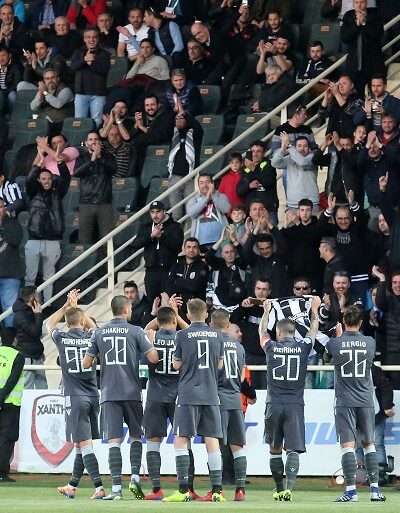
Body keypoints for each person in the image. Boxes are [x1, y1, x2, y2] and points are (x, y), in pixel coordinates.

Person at [82, 295, 158, 500]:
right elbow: (153, 358)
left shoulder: (99, 333)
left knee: (114, 440)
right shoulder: (136, 331)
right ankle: (135, 477)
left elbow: (86, 363)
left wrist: (99, 353)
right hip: (132, 391)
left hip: (109, 392)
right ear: (125, 309)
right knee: (135, 436)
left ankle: (116, 488)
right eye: (130, 308)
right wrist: (150, 343)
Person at [258, 295, 321, 501]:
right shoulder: (303, 347)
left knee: (275, 449)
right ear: (293, 332)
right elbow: (313, 330)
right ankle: (289, 490)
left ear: (278, 332)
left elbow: (262, 332)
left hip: (273, 404)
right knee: (293, 449)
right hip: (294, 404)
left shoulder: (271, 347)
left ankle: (278, 489)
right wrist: (314, 310)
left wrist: (266, 312)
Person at [163, 298, 225, 503]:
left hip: (188, 393)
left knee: (181, 438)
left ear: (188, 315)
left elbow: (176, 365)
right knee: (212, 440)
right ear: (206, 314)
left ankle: (183, 491)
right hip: (210, 394)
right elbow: (220, 365)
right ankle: (217, 491)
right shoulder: (218, 335)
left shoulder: (182, 335)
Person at [47, 290, 105, 499]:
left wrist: (66, 307)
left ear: (67, 322)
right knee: (80, 443)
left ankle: (99, 487)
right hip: (93, 396)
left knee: (84, 444)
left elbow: (49, 324)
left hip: (74, 397)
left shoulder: (61, 338)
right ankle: (72, 486)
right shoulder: (91, 337)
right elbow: (95, 328)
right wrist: (78, 309)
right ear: (82, 321)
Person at [325, 305, 386, 502]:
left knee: (348, 446)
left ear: (344, 321)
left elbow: (327, 357)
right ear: (360, 322)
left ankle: (351, 491)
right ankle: (375, 491)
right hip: (366, 399)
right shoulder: (370, 342)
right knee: (369, 444)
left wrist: (338, 336)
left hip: (344, 401)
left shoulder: (335, 343)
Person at [142, 302, 194, 500]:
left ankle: (156, 489)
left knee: (153, 441)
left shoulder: (150, 336)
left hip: (155, 395)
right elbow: (193, 331)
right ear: (174, 320)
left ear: (158, 321)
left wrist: (158, 318)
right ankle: (187, 489)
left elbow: (146, 328)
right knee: (183, 442)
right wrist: (177, 316)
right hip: (179, 395)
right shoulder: (182, 336)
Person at [207, 309, 247, 502]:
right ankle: (240, 490)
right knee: (237, 446)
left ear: (211, 324)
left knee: (215, 445)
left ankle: (217, 490)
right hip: (235, 398)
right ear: (228, 323)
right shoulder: (239, 347)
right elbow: (242, 377)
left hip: (218, 398)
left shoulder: (212, 342)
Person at [24, 160, 70, 302]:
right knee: (30, 276)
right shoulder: (33, 193)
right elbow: (29, 180)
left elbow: (66, 178)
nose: (46, 181)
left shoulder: (58, 193)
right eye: (43, 179)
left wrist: (60, 163)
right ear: (39, 180)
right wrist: (38, 163)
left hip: (52, 239)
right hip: (34, 238)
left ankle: (47, 304)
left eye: (49, 178)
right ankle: (29, 304)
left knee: (49, 276)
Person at [131, 200, 183, 303]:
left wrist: (161, 237)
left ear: (164, 212)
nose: (155, 215)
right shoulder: (146, 226)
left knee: (171, 303)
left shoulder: (175, 226)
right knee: (153, 303)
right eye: (152, 212)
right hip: (151, 270)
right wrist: (151, 236)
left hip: (169, 270)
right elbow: (135, 244)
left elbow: (177, 247)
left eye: (158, 212)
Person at [73, 131, 115, 243]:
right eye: (90, 139)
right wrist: (92, 160)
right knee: (84, 238)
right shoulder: (81, 158)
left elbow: (113, 170)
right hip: (86, 202)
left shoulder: (108, 156)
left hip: (104, 202)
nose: (93, 142)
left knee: (107, 239)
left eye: (96, 139)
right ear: (86, 143)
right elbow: (76, 173)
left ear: (100, 142)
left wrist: (100, 157)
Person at [231, 278, 272, 389]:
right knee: (249, 388)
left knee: (266, 389)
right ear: (254, 289)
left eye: (264, 289)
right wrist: (242, 308)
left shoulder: (274, 307)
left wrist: (269, 309)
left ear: (269, 291)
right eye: (258, 288)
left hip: (267, 355)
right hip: (248, 354)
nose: (261, 292)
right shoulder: (247, 305)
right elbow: (232, 322)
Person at [340, 0, 385, 95]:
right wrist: (356, 25)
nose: (359, 5)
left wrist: (364, 23)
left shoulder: (375, 14)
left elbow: (378, 34)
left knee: (377, 95)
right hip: (355, 66)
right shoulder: (348, 16)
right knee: (357, 97)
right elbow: (344, 37)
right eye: (356, 2)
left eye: (362, 2)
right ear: (353, 4)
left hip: (373, 64)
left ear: (366, 3)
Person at [70, 27, 111, 127]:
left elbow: (104, 70)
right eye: (88, 37)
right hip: (81, 93)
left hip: (98, 94)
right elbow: (73, 67)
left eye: (94, 37)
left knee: (97, 122)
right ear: (84, 39)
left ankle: (96, 138)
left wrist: (91, 63)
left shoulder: (104, 54)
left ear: (98, 39)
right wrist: (84, 60)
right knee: (80, 122)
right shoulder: (78, 52)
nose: (91, 40)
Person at [281, 199, 323, 293]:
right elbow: (280, 240)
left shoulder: (317, 226)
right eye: (302, 210)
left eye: (307, 210)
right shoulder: (294, 228)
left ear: (311, 211)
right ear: (298, 212)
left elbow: (310, 238)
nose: (305, 213)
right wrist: (285, 225)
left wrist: (297, 223)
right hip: (295, 275)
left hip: (314, 274)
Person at [167, 111, 203, 221]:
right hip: (174, 178)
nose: (178, 120)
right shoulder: (173, 133)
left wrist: (185, 113)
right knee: (176, 214)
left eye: (181, 118)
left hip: (190, 177)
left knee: (191, 213)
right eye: (176, 118)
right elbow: (164, 125)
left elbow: (198, 127)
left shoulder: (194, 134)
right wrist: (174, 112)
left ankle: (190, 233)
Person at [271, 134, 319, 213]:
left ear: (309, 148)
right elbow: (274, 163)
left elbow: (302, 162)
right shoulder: (290, 158)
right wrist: (282, 150)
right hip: (292, 204)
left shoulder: (313, 158)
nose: (302, 149)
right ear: (295, 147)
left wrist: (289, 146)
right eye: (299, 146)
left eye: (305, 146)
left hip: (311, 204)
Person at [0, 327, 24, 483]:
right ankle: (1, 472)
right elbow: (12, 380)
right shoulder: (18, 356)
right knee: (6, 438)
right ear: (15, 339)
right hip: (10, 402)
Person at [12, 286, 47, 389]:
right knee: (28, 388)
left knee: (43, 387)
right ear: (32, 298)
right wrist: (38, 315)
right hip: (27, 356)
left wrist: (40, 351)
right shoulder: (20, 315)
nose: (39, 299)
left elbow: (35, 337)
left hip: (37, 355)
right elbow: (35, 333)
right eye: (37, 296)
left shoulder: (32, 311)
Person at [206, 226, 247, 311]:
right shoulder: (219, 264)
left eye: (232, 252)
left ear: (235, 253)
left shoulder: (240, 263)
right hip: (220, 306)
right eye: (226, 252)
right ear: (222, 254)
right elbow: (208, 257)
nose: (229, 255)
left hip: (238, 306)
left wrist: (234, 239)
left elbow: (245, 256)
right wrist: (221, 240)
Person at [236, 140, 278, 223]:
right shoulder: (245, 169)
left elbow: (268, 182)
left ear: (264, 153)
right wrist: (249, 186)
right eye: (253, 151)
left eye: (258, 151)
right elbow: (239, 191)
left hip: (268, 210)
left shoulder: (270, 165)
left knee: (271, 231)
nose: (255, 154)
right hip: (251, 213)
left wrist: (253, 169)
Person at [373, 265, 400, 390]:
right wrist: (382, 279)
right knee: (394, 386)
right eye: (394, 282)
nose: (397, 285)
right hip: (392, 353)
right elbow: (379, 302)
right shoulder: (388, 301)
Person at [187, 174, 230, 248]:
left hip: (222, 240)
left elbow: (226, 209)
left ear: (212, 184)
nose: (205, 185)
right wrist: (206, 199)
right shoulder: (193, 200)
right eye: (201, 183)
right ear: (198, 185)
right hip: (201, 242)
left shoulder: (221, 196)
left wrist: (213, 195)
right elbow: (191, 213)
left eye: (207, 182)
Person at [166, 237, 209, 307]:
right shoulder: (176, 265)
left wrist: (177, 280)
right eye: (189, 247)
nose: (191, 250)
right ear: (184, 249)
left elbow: (195, 287)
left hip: (196, 308)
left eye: (194, 247)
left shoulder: (203, 267)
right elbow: (169, 285)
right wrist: (187, 284)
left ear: (198, 250)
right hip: (178, 305)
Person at [0, 198, 23, 327]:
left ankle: (10, 338)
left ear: (4, 208)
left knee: (10, 311)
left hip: (10, 275)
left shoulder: (13, 224)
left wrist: (2, 227)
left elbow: (16, 240)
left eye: (0, 207)